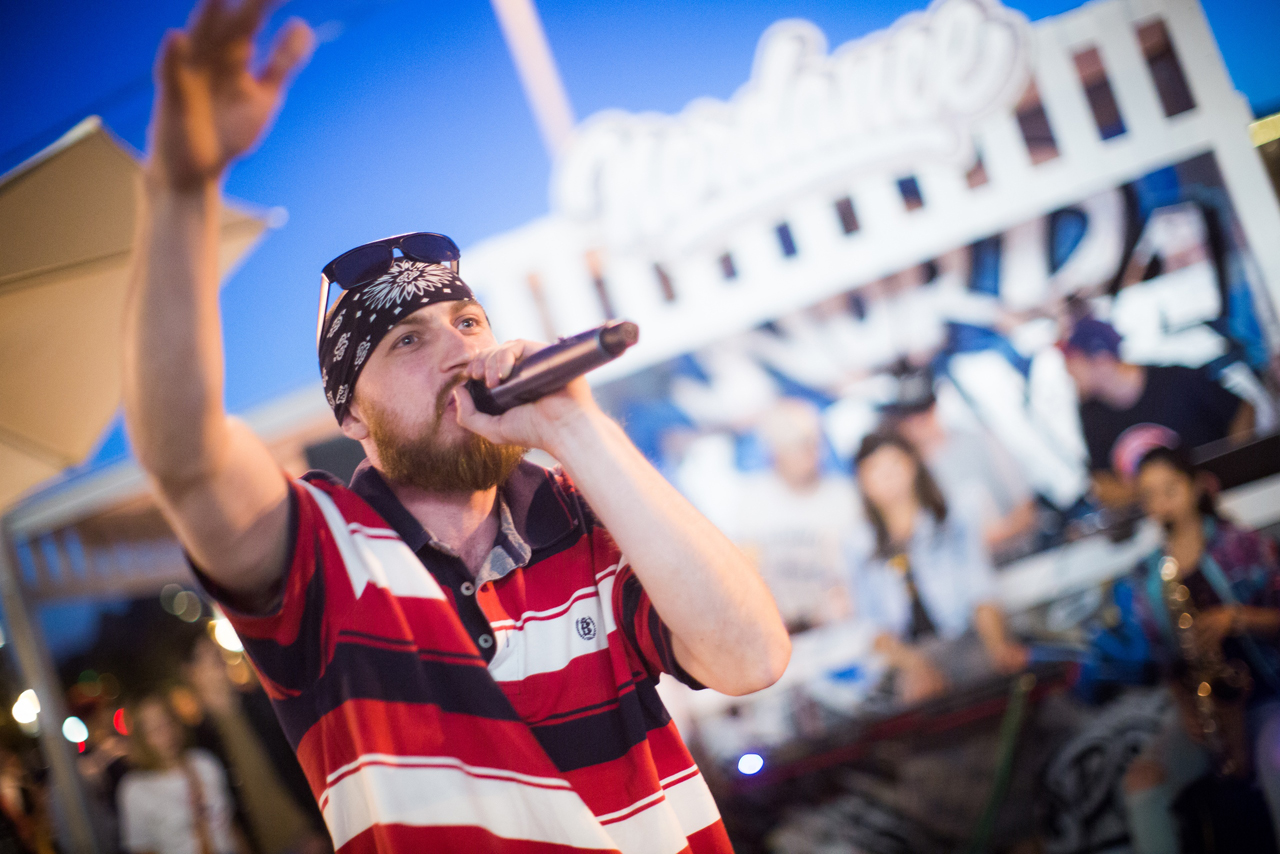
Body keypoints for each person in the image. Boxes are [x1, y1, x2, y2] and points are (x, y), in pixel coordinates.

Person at [122, 3, 789, 853]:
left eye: (467, 323)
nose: (457, 350)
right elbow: (184, 458)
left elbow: (750, 658)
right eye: (407, 341)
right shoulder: (324, 555)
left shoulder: (581, 514)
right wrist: (180, 194)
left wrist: (578, 428)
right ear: (350, 414)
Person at [1121, 446, 1280, 853]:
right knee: (1141, 781)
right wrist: (1187, 709)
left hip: (1266, 694)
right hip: (1208, 711)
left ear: (1194, 487)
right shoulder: (1149, 576)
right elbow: (1166, 662)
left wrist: (1237, 618)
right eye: (1150, 496)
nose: (1162, 504)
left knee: (1276, 761)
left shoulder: (1240, 545)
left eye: (1170, 490)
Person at [845, 433, 1027, 705]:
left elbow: (980, 588)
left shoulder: (952, 518)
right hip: (907, 657)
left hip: (965, 639)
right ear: (862, 481)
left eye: (894, 465)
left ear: (913, 465)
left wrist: (997, 645)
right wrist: (915, 665)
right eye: (875, 470)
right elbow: (871, 627)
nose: (888, 478)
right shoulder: (858, 545)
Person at [1062, 317, 1254, 508]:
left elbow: (1242, 410)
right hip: (1168, 519)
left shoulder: (1175, 381)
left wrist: (1234, 472)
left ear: (1101, 359)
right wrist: (1160, 495)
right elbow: (1102, 482)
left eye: (1071, 361)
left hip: (1226, 502)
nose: (1068, 372)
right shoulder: (1091, 415)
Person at [183, 636, 329, 854]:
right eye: (206, 656)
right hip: (262, 846)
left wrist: (317, 825)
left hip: (306, 834)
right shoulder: (199, 740)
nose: (217, 658)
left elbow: (302, 762)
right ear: (191, 672)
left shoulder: (262, 703)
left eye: (216, 652)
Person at [883, 367, 1039, 560]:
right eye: (907, 416)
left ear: (934, 406)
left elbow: (1027, 506)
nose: (916, 422)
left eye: (923, 411)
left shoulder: (980, 441)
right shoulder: (902, 473)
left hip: (1017, 557)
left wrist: (991, 538)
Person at [733, 399, 856, 633]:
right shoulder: (752, 499)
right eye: (796, 445)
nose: (808, 453)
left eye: (812, 443)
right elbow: (746, 571)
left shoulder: (844, 496)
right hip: (779, 630)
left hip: (840, 629)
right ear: (774, 451)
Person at [117, 694, 240, 854]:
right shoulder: (135, 789)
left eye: (168, 722)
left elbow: (230, 827)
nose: (167, 733)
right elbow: (142, 848)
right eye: (155, 729)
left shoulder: (204, 762)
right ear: (141, 738)